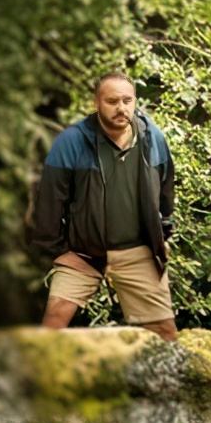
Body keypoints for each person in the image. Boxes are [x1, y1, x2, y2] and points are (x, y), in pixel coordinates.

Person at [31, 72, 179, 340]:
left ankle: (167, 383)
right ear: (96, 103)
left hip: (138, 251)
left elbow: (166, 186)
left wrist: (164, 230)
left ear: (135, 101)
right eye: (112, 101)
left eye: (127, 100)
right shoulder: (72, 141)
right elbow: (49, 200)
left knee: (165, 332)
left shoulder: (151, 137)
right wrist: (56, 250)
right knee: (54, 321)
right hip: (83, 253)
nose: (121, 108)